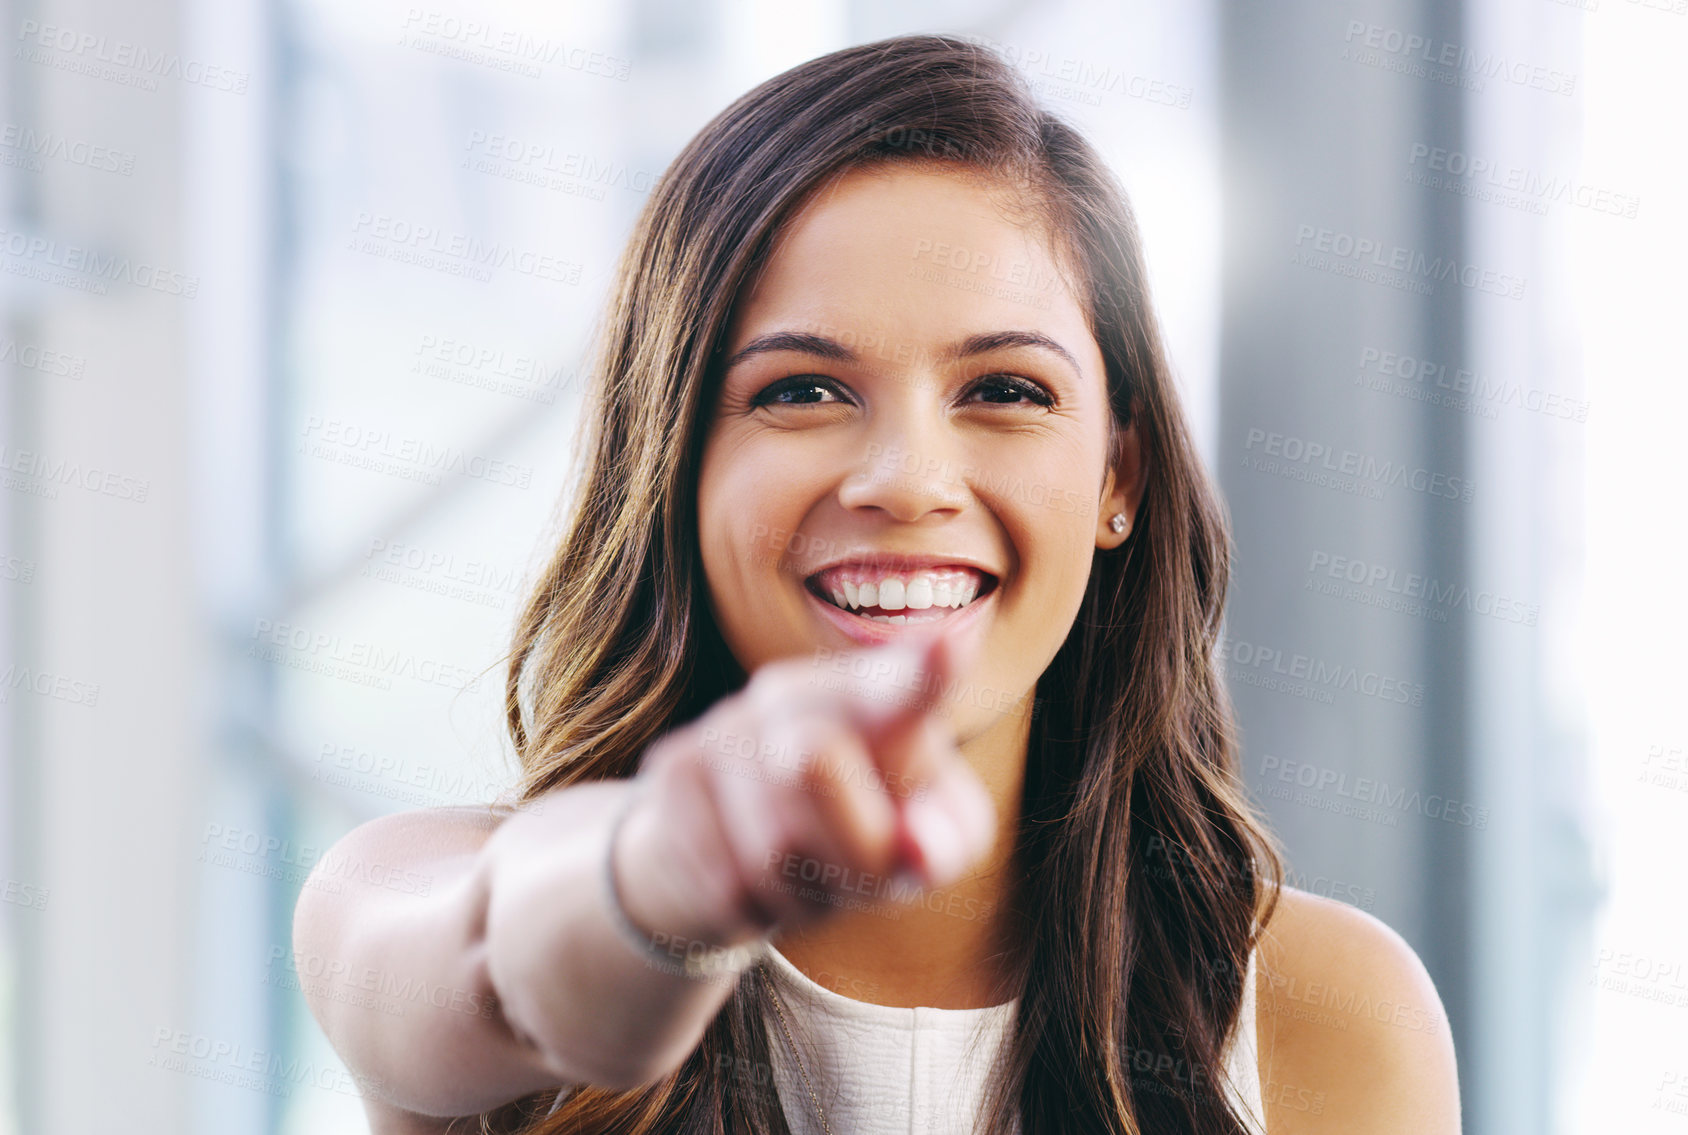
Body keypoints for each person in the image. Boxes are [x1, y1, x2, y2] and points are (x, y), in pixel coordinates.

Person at [293, 33, 1462, 1135]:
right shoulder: (401, 894)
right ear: (674, 463)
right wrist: (661, 881)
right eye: (801, 390)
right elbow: (498, 973)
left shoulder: (1332, 1012)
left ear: (1119, 474)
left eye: (1004, 390)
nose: (907, 482)